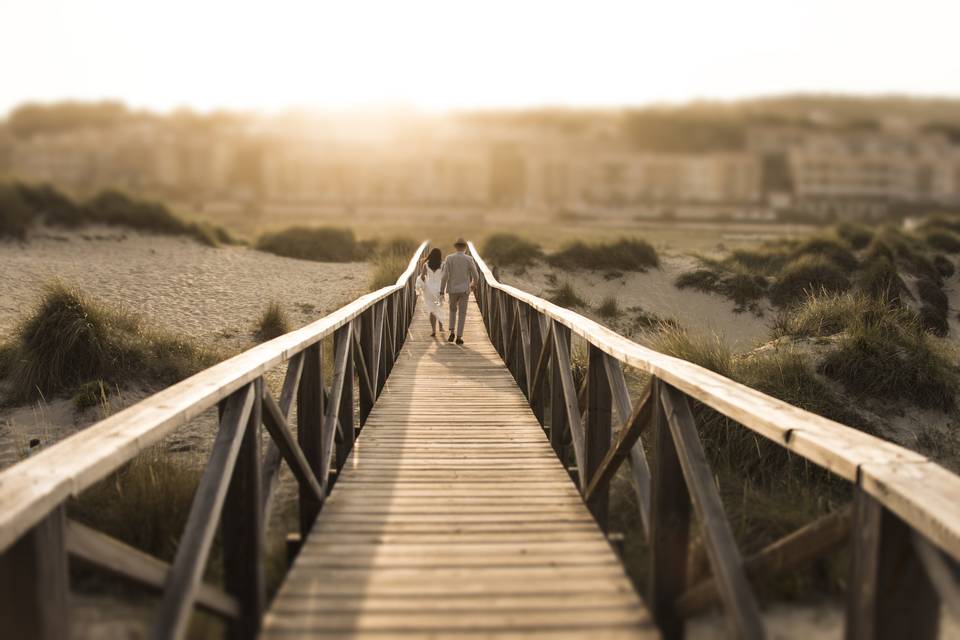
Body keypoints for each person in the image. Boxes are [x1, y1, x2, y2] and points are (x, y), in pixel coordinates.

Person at [439, 237, 479, 345]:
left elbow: (444, 276)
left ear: (456, 247)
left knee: (452, 310)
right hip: (464, 290)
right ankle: (459, 336)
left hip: (452, 289)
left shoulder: (449, 258)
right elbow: (476, 275)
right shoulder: (469, 259)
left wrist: (442, 290)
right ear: (465, 247)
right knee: (462, 313)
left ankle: (452, 331)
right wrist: (473, 285)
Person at [417, 247, 445, 337]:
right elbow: (445, 277)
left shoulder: (426, 264)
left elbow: (422, 277)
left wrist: (421, 285)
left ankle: (433, 330)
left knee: (432, 310)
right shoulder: (443, 265)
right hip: (439, 289)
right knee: (438, 306)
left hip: (429, 289)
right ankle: (441, 327)